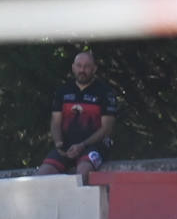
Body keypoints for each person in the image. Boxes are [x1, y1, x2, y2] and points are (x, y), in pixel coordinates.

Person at [36, 50, 119, 179]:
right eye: (79, 66)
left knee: (82, 173)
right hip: (67, 148)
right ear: (73, 68)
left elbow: (107, 129)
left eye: (86, 66)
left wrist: (82, 146)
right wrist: (59, 144)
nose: (82, 70)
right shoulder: (63, 91)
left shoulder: (105, 92)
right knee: (42, 175)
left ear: (94, 69)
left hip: (94, 147)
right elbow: (55, 122)